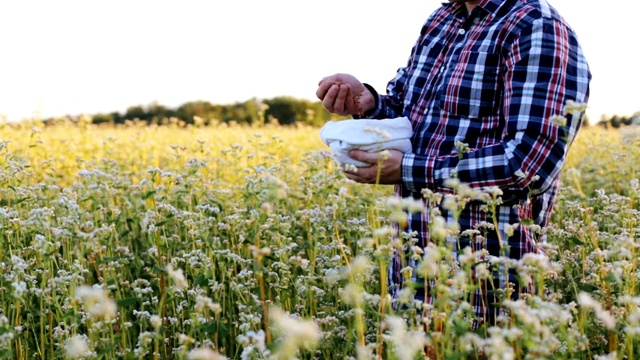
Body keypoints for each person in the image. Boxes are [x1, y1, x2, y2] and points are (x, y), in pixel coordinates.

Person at [316, 0, 591, 327]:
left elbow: (529, 163)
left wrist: (407, 170)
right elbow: (410, 116)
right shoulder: (442, 19)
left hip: (488, 279)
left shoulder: (535, 25)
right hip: (414, 269)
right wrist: (369, 103)